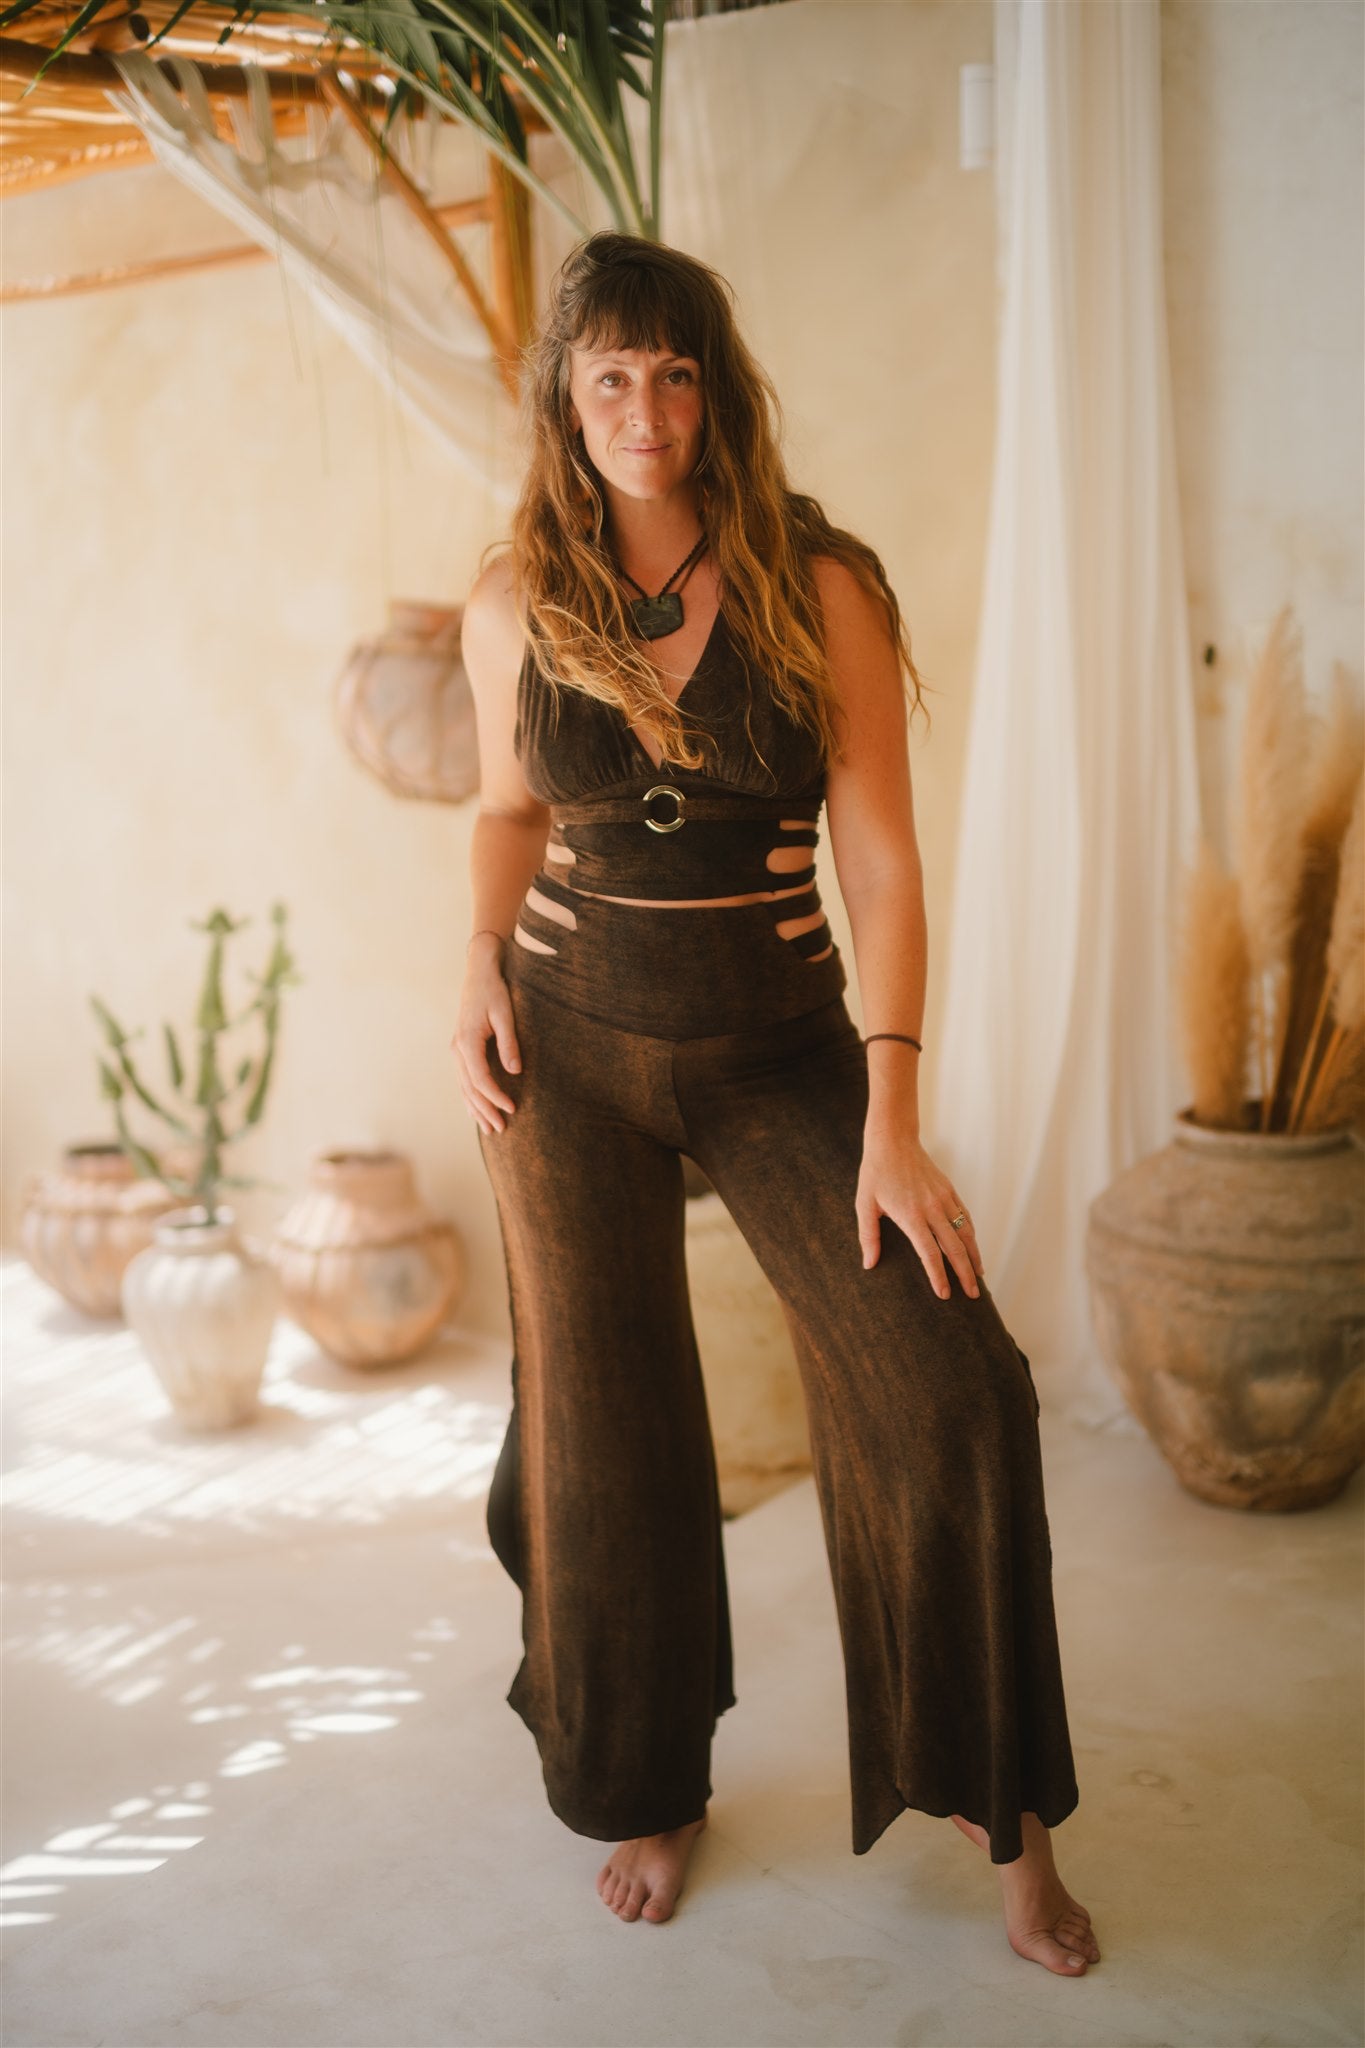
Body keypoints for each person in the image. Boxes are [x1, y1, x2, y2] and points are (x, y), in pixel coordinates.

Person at [454, 231, 1099, 1976]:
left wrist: (892, 1113)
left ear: (714, 390)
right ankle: (645, 1784)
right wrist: (472, 964)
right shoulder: (512, 600)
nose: (644, 411)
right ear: (563, 400)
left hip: (781, 1047)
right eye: (608, 377)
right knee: (603, 1431)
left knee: (955, 1388)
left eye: (673, 373)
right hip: (563, 1048)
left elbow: (879, 866)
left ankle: (998, 1813)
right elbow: (506, 815)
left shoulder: (817, 584)